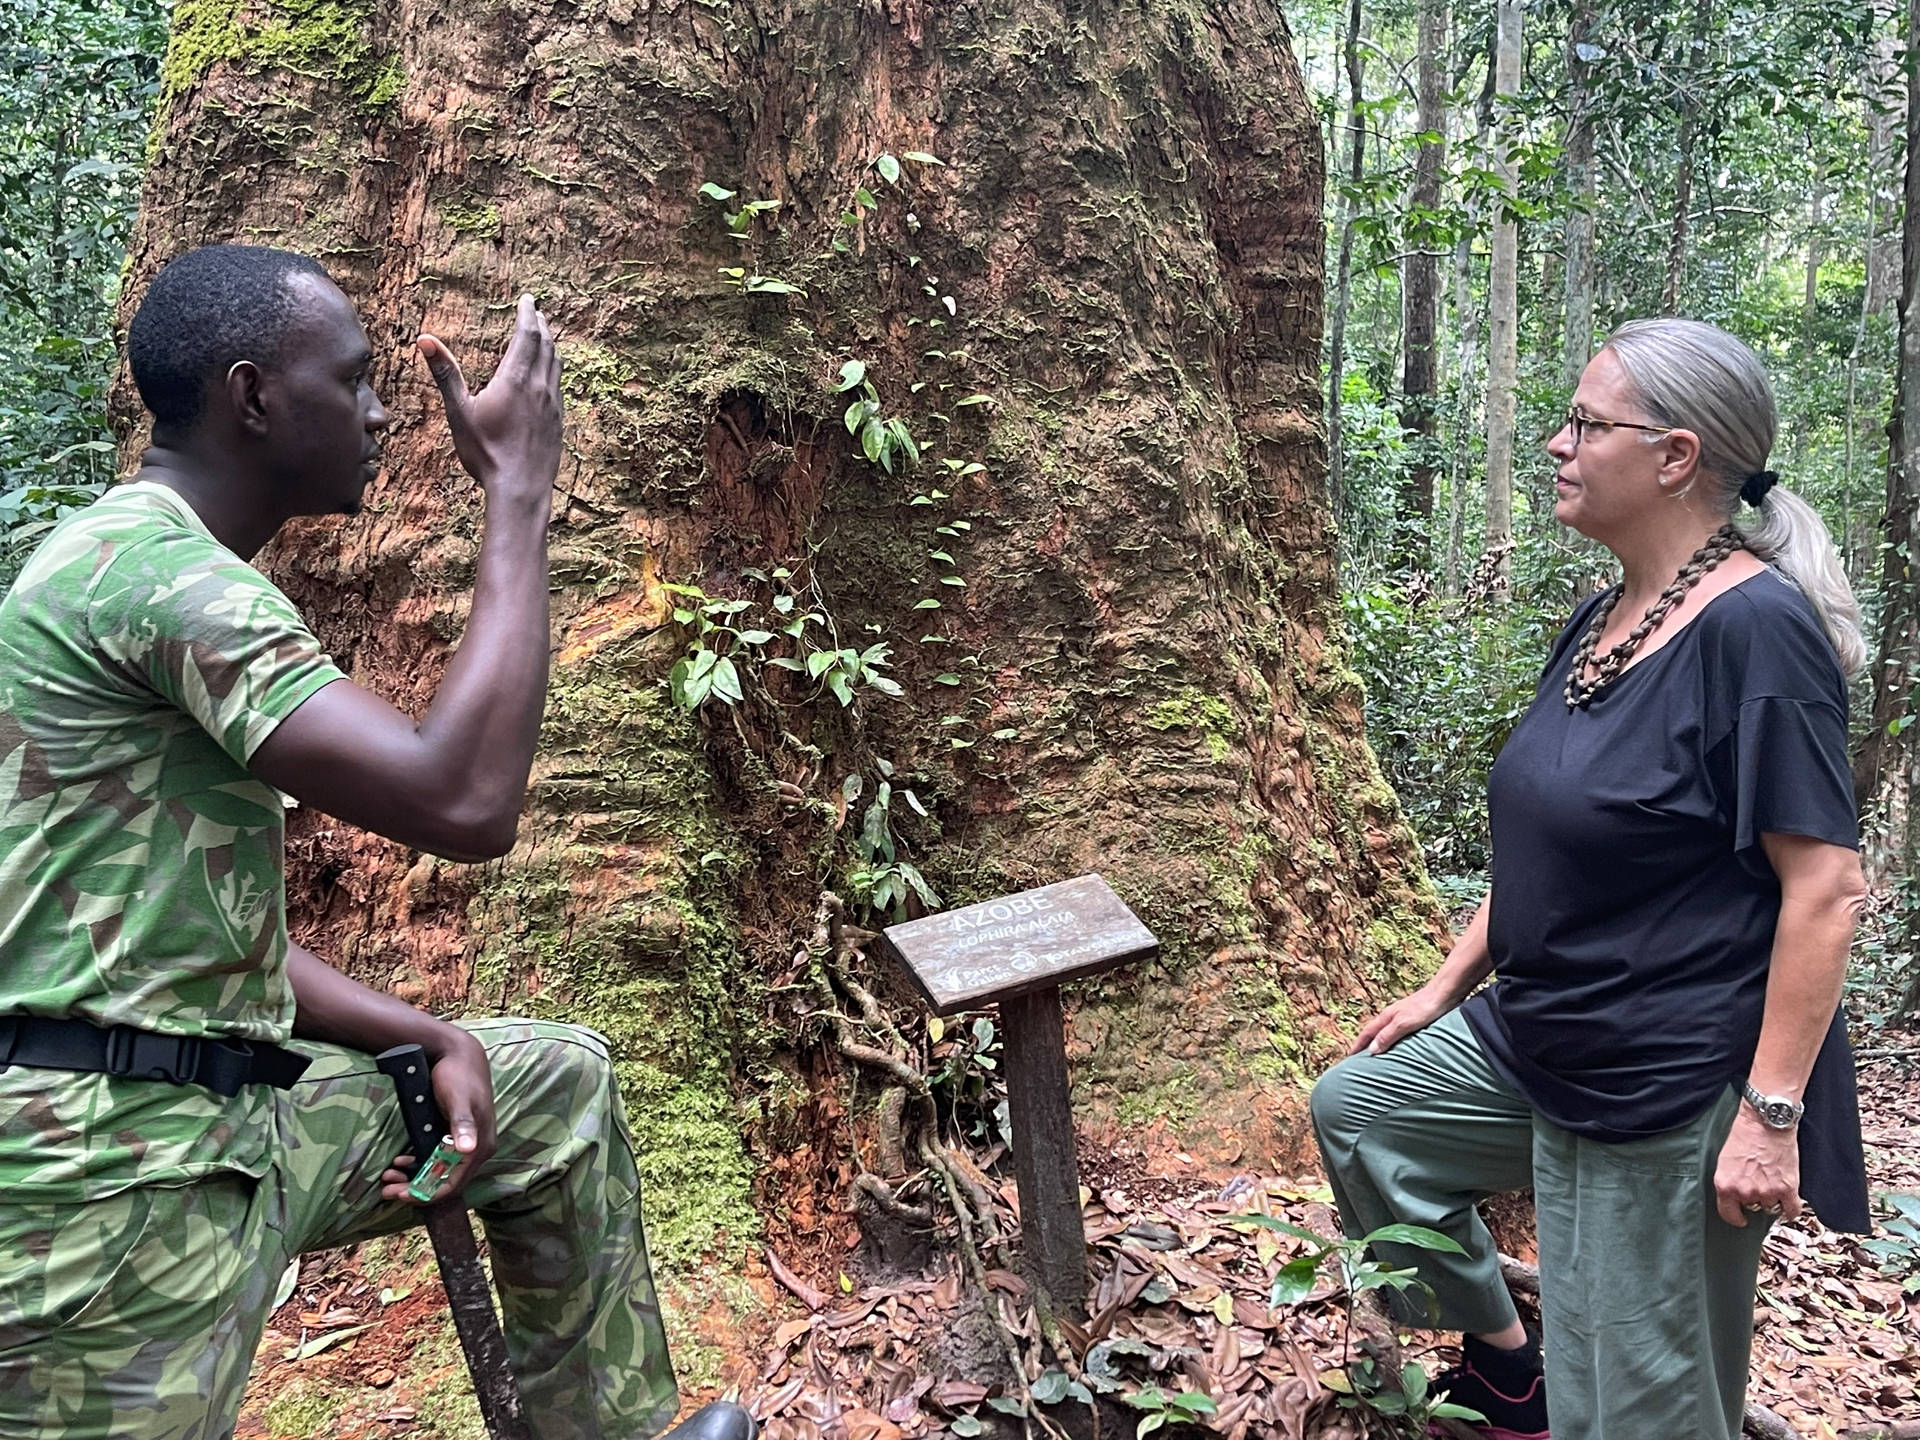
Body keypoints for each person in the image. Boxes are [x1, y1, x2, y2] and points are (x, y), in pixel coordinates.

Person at [0, 245, 753, 1440]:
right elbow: (461, 802)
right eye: (350, 380)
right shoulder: (158, 577)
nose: (382, 409)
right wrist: (515, 490)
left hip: (229, 1122)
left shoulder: (108, 563)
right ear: (253, 398)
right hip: (107, 1184)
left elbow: (160, 932)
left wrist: (423, 1029)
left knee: (550, 1086)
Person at [1309, 318, 1871, 1440]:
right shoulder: (1609, 615)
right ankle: (1510, 1367)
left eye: (1585, 423)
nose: (1560, 445)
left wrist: (1768, 1117)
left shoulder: (1758, 634)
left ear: (1674, 457)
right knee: (1363, 1111)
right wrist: (1443, 985)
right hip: (1542, 1029)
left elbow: (1828, 887)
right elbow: (1549, 841)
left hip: (1663, 1074)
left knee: (1636, 1408)